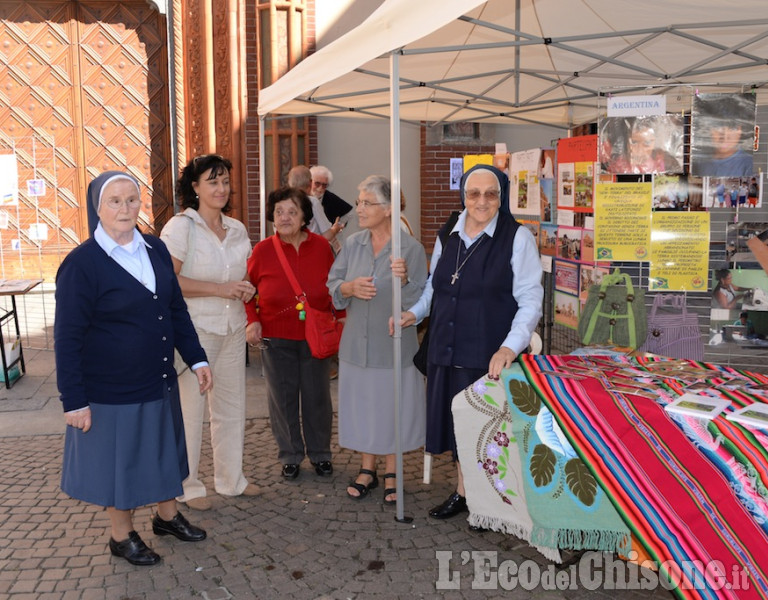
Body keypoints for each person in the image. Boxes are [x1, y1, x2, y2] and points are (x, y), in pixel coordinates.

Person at [55, 171, 212, 565]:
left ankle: (167, 516)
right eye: (115, 201)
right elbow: (67, 339)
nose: (125, 209)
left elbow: (175, 309)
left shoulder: (155, 249)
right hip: (111, 389)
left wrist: (197, 357)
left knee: (162, 451)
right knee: (120, 465)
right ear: (97, 208)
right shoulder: (82, 265)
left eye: (131, 199)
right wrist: (73, 400)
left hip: (157, 378)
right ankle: (121, 536)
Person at [396, 164, 543, 520]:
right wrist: (414, 314)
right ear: (463, 195)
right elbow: (435, 286)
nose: (481, 201)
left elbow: (531, 299)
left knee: (488, 431)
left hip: (487, 351)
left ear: (500, 197)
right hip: (446, 346)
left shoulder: (517, 237)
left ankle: (489, 501)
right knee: (460, 426)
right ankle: (465, 493)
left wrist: (510, 346)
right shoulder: (449, 232)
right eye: (473, 193)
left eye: (490, 194)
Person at [160, 154, 260, 511]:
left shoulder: (237, 229)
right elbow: (168, 281)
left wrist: (245, 289)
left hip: (232, 328)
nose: (221, 188)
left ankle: (231, 481)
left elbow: (242, 276)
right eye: (212, 181)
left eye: (225, 181)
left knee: (231, 409)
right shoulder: (180, 227)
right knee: (190, 411)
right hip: (194, 332)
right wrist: (221, 289)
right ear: (195, 187)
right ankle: (187, 485)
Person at [327, 175, 427, 504]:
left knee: (392, 409)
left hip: (394, 347)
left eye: (366, 202)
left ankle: (393, 471)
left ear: (387, 209)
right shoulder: (352, 244)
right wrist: (348, 288)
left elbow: (421, 301)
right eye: (359, 202)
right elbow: (333, 284)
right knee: (365, 409)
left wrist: (408, 278)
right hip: (357, 344)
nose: (359, 208)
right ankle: (366, 469)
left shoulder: (410, 249)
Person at [245, 187, 337, 480]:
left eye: (291, 212)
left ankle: (321, 453)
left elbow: (334, 287)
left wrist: (342, 320)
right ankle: (290, 455)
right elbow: (247, 291)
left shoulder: (322, 247)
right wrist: (252, 321)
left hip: (314, 335)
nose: (284, 218)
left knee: (317, 396)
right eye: (278, 212)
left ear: (304, 217)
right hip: (275, 334)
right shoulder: (262, 251)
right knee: (282, 399)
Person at [693, 94, 755, 178]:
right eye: (718, 127)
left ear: (740, 130)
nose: (725, 136)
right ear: (709, 129)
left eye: (731, 128)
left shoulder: (750, 165)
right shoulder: (698, 162)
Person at [288, 165, 344, 247]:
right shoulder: (312, 202)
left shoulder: (281, 202)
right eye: (317, 183)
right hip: (310, 249)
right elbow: (327, 235)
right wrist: (336, 228)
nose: (320, 188)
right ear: (310, 182)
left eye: (324, 185)